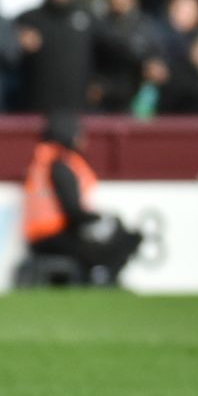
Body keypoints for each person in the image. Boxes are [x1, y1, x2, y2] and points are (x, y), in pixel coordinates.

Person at [22, 113, 144, 285]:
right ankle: (106, 281)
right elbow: (73, 211)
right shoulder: (60, 166)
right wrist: (100, 218)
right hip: (56, 237)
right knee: (130, 238)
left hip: (38, 237)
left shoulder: (41, 163)